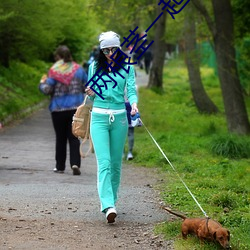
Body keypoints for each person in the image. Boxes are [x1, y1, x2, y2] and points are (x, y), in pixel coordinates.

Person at [85, 31, 138, 223]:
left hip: (120, 118)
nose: (109, 53)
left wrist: (133, 104)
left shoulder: (126, 68)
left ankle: (112, 201)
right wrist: (90, 92)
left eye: (112, 49)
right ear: (101, 50)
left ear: (118, 48)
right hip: (98, 117)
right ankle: (107, 205)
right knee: (104, 163)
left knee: (116, 164)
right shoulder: (94, 67)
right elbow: (90, 96)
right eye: (105, 50)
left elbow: (131, 90)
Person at [39, 45, 87, 175]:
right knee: (74, 136)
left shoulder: (54, 71)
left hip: (58, 109)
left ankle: (60, 167)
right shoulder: (79, 70)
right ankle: (75, 163)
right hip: (75, 109)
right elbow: (87, 86)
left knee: (60, 138)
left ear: (58, 57)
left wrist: (42, 83)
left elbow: (47, 90)